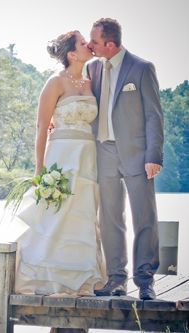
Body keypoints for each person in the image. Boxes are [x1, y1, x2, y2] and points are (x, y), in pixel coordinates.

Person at [13, 30, 106, 299]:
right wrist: (39, 170)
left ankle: (83, 277)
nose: (88, 45)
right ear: (72, 54)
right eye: (82, 43)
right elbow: (42, 128)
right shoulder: (55, 82)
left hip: (87, 157)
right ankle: (46, 275)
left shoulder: (91, 82)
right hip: (61, 156)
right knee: (56, 214)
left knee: (83, 214)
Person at [86, 18, 164, 300]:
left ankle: (144, 280)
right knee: (109, 218)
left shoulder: (142, 68)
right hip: (103, 151)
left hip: (137, 154)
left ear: (110, 44)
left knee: (144, 216)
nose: (89, 45)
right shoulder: (92, 68)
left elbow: (154, 115)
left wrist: (154, 155)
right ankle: (116, 279)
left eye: (94, 42)